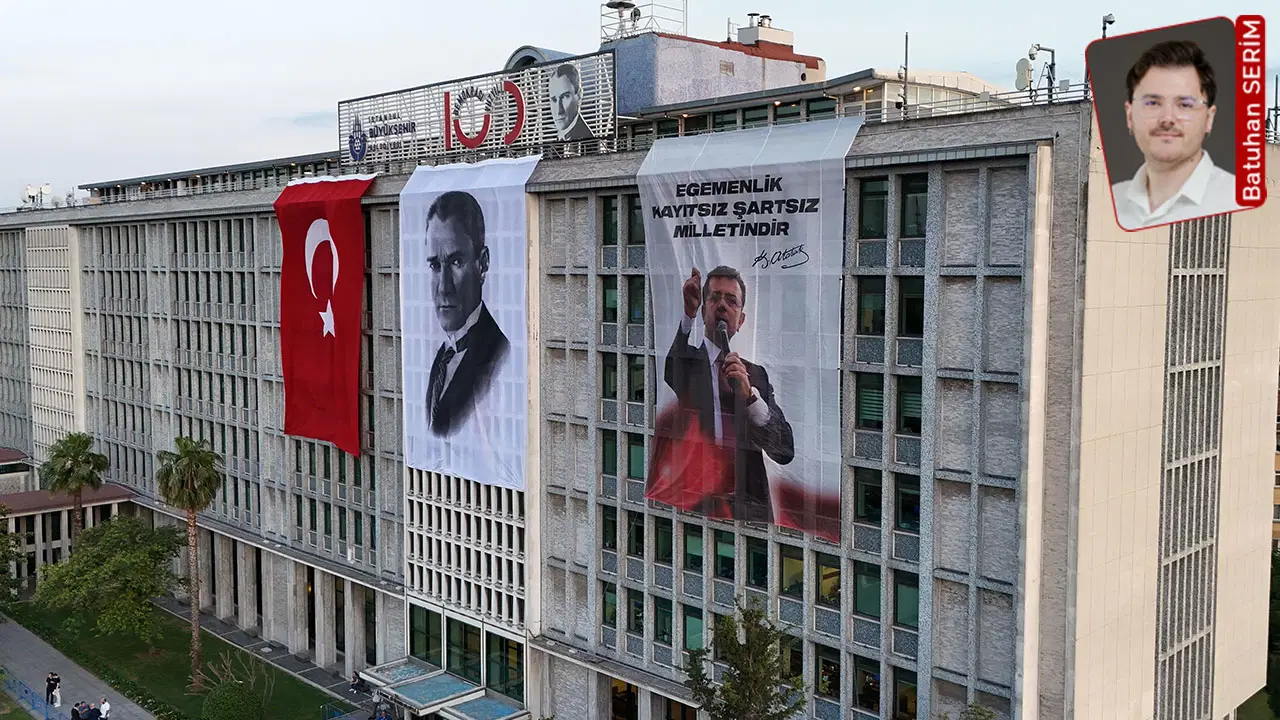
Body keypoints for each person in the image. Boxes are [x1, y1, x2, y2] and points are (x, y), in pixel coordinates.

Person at [654, 265, 795, 522]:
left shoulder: (756, 375)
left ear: (740, 320)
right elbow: (672, 369)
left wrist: (750, 397)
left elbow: (784, 451)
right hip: (698, 500)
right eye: (714, 298)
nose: (722, 306)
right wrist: (688, 315)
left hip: (749, 507)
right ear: (704, 311)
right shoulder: (688, 364)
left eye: (732, 301)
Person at [1110, 38, 1240, 229]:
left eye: (1185, 105)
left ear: (1209, 118)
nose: (1167, 118)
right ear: (1130, 115)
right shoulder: (1113, 199)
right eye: (1152, 103)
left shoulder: (1234, 197)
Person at [423, 191, 509, 437]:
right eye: (435, 265)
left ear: (482, 263)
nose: (444, 287)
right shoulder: (441, 359)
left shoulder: (499, 355)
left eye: (456, 263)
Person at [548, 63, 594, 141]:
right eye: (554, 99)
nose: (559, 111)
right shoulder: (557, 139)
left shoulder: (587, 140)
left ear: (579, 95)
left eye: (565, 97)